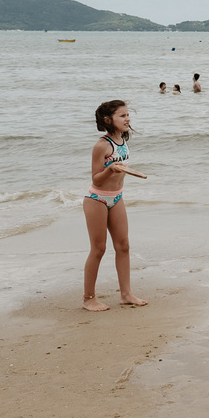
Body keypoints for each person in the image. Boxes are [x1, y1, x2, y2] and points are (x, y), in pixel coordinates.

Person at [83, 100, 148, 311]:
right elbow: (96, 180)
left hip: (117, 198)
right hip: (97, 199)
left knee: (123, 246)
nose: (127, 118)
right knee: (98, 249)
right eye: (122, 115)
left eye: (128, 114)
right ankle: (88, 299)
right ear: (107, 120)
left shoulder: (122, 139)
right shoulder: (102, 145)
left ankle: (126, 294)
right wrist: (111, 169)